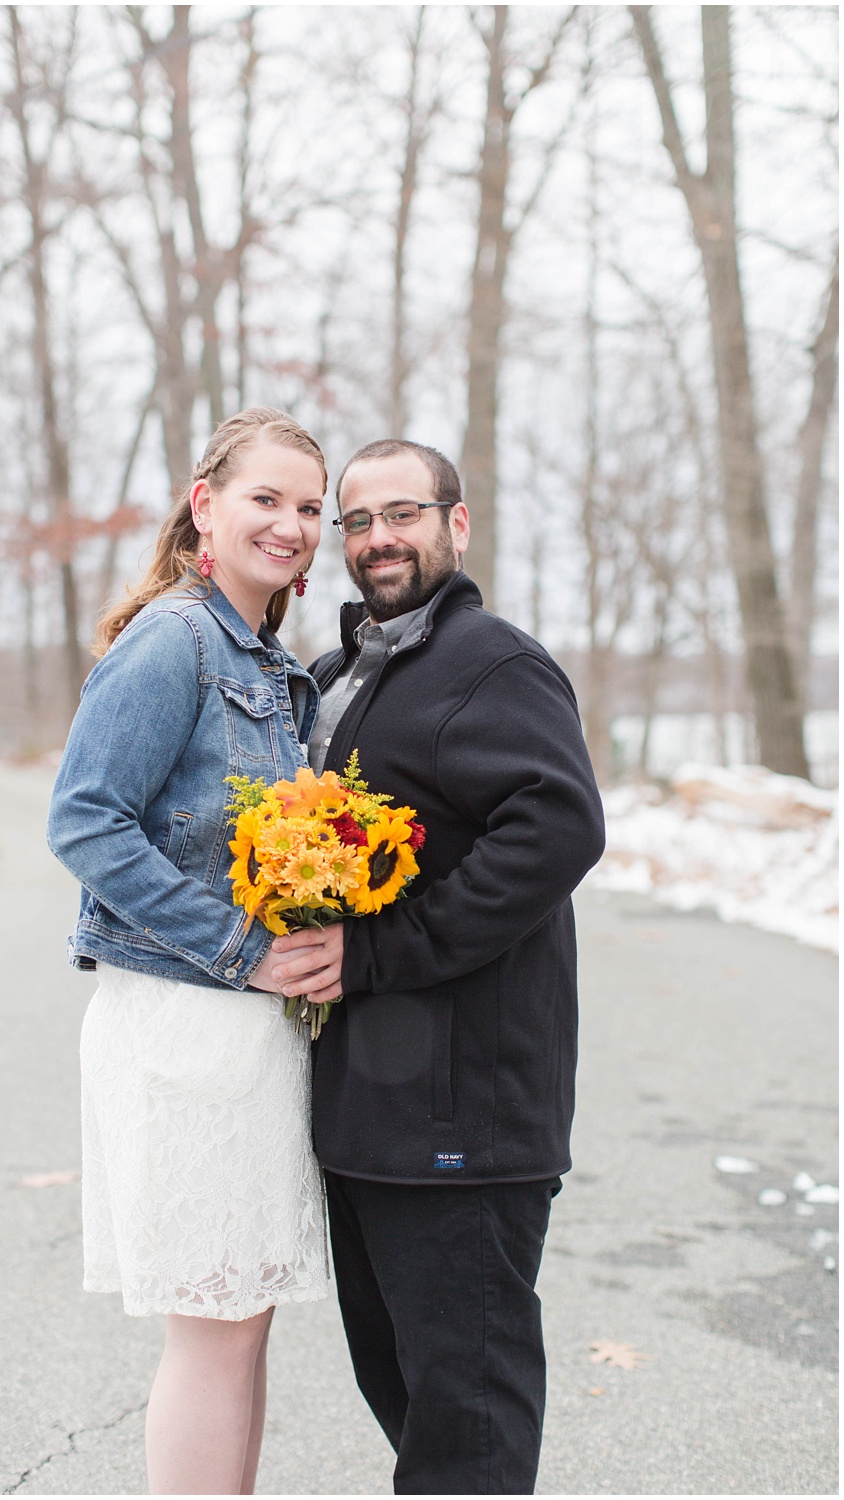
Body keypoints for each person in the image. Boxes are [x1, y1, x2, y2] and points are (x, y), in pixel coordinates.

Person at [273, 438, 606, 1495]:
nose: (378, 539)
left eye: (402, 514)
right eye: (357, 521)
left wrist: (377, 951)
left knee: (464, 1422)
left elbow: (556, 830)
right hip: (368, 1115)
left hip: (466, 1111)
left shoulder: (492, 665)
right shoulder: (335, 678)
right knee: (406, 1395)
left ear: (454, 526)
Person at [45, 407, 344, 1497]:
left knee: (239, 1325)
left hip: (242, 1035)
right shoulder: (174, 640)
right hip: (186, 1024)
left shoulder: (266, 661)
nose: (293, 524)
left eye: (310, 507)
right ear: (203, 504)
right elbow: (83, 820)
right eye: (266, 498)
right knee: (214, 1329)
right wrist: (245, 952)